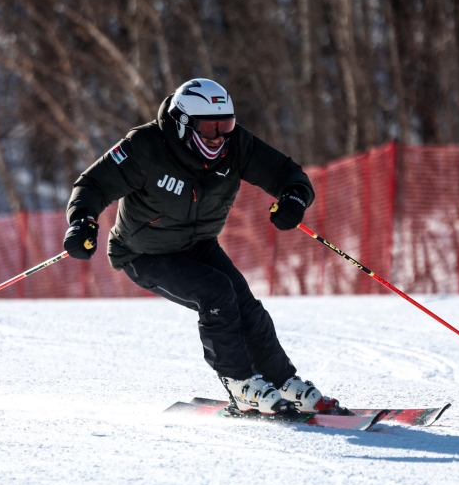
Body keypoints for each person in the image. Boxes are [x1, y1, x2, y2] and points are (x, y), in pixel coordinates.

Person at [63, 78, 340, 415]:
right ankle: (240, 384)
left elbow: (286, 172)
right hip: (143, 253)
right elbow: (92, 184)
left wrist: (294, 198)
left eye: (227, 125)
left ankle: (281, 380)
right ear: (182, 124)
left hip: (197, 245)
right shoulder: (145, 147)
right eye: (211, 128)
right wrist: (82, 222)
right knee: (216, 292)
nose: (220, 137)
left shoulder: (235, 146)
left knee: (245, 305)